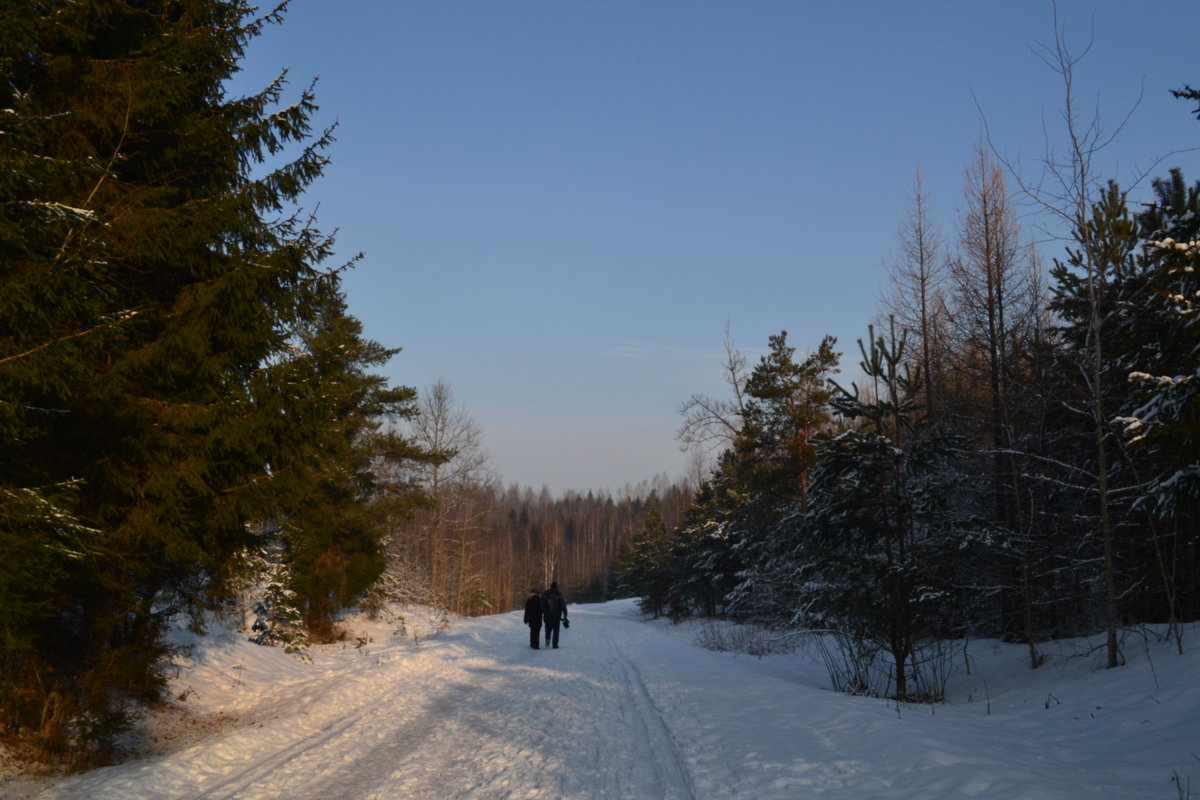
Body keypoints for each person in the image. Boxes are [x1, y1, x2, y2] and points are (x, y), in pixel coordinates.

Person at [541, 581, 568, 649]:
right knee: (556, 631)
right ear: (556, 587)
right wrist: (565, 616)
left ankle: (547, 641)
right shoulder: (559, 594)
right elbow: (563, 606)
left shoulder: (546, 593)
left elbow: (542, 605)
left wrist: (543, 613)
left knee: (548, 629)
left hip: (547, 615)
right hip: (557, 616)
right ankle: (555, 645)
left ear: (551, 586)